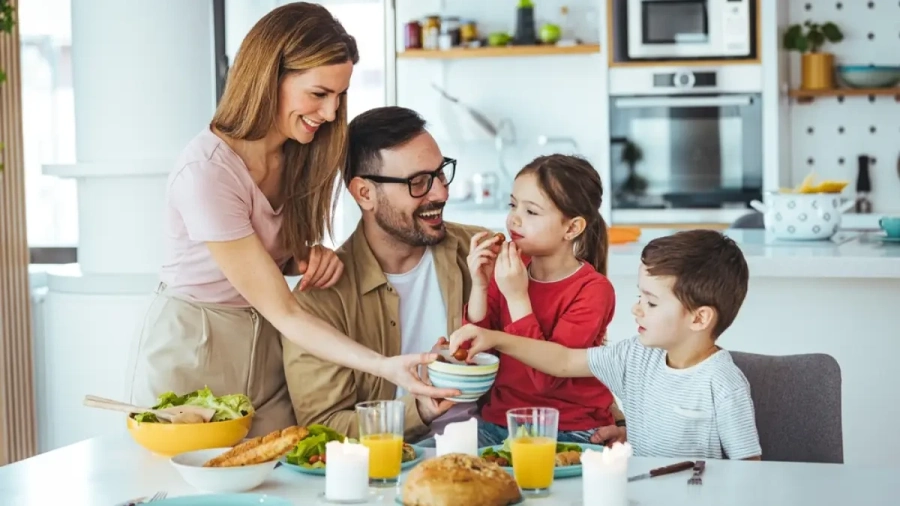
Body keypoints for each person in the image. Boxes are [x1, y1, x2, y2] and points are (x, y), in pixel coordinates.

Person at [125, 4, 454, 438]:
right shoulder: (207, 172)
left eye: (340, 96)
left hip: (268, 343)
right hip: (197, 342)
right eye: (318, 94)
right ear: (269, 78)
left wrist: (299, 256)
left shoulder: (302, 152)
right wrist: (385, 366)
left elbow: (266, 272)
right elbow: (284, 309)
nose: (332, 113)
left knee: (278, 478)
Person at [450, 229, 763, 460]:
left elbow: (750, 470)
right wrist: (494, 338)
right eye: (640, 297)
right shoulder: (634, 355)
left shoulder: (723, 383)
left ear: (699, 318)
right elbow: (561, 360)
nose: (636, 309)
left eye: (651, 303)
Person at [282, 106, 484, 442]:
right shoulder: (318, 299)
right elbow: (324, 426)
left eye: (440, 173)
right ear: (364, 193)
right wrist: (417, 411)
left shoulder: (479, 252)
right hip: (384, 476)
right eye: (418, 182)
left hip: (496, 459)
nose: (441, 193)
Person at [462, 155, 622, 447]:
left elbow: (547, 377)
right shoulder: (509, 268)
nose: (514, 218)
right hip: (500, 422)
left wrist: (517, 296)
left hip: (570, 429)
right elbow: (474, 349)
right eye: (513, 205)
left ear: (572, 228)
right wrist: (481, 286)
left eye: (532, 212)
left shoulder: (594, 290)